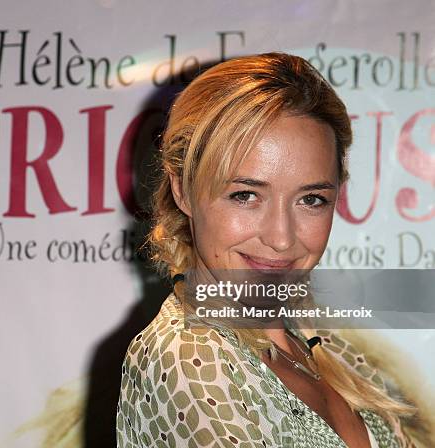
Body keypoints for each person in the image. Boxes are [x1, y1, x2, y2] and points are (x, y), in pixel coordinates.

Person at [116, 53, 418, 448]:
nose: (281, 238)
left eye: (311, 200)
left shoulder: (327, 350)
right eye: (246, 195)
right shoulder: (188, 357)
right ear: (183, 190)